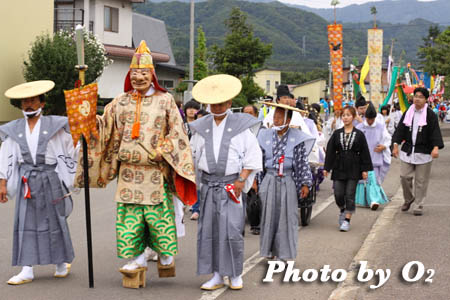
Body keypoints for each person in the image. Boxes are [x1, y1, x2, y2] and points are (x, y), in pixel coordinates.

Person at [74, 41, 197, 283]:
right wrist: (84, 109)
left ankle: (164, 254)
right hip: (128, 172)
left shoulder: (166, 101)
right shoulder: (120, 101)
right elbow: (103, 126)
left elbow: (177, 133)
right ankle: (139, 257)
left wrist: (165, 148)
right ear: (129, 75)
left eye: (143, 73)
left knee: (157, 218)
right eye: (134, 73)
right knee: (130, 219)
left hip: (154, 171)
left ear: (152, 75)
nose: (139, 77)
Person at [0, 80, 78, 285]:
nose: (29, 104)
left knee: (56, 221)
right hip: (27, 179)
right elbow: (6, 155)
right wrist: (3, 181)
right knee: (26, 223)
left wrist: (81, 139)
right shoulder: (14, 129)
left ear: (42, 103)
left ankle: (61, 263)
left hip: (50, 177)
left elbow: (71, 148)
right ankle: (27, 268)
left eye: (33, 100)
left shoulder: (57, 125)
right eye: (25, 101)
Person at [189, 74, 262, 290]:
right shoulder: (201, 126)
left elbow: (252, 155)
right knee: (210, 230)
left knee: (231, 229)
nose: (216, 107)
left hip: (232, 184)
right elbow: (193, 155)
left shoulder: (241, 125)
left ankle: (235, 273)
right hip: (209, 185)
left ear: (229, 103)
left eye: (221, 103)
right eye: (213, 103)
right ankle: (217, 275)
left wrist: (242, 180)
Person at [257, 102, 314, 260]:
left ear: (288, 121)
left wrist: (305, 183)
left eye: (280, 117)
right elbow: (258, 161)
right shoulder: (264, 135)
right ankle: (269, 251)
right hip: (269, 178)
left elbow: (302, 162)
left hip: (288, 179)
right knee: (268, 216)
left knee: (287, 217)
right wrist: (255, 180)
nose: (276, 119)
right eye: (274, 116)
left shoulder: (297, 138)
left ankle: (285, 254)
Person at [392, 87, 444, 216]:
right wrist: (395, 145)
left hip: (424, 151)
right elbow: (400, 130)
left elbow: (435, 133)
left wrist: (436, 147)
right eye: (416, 96)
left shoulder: (431, 115)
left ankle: (419, 205)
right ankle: (409, 199)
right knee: (404, 176)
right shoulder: (408, 112)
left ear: (426, 99)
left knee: (421, 181)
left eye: (421, 97)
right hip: (408, 150)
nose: (417, 99)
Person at [323, 106, 373, 232]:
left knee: (350, 194)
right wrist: (327, 167)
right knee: (338, 194)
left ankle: (347, 220)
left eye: (348, 115)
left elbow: (364, 152)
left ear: (353, 117)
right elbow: (330, 151)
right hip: (339, 166)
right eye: (343, 115)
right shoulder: (337, 134)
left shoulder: (359, 134)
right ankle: (342, 209)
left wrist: (365, 170)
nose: (345, 118)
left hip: (354, 167)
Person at [355, 103, 391, 210]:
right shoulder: (359, 127)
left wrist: (384, 146)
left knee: (373, 179)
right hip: (363, 158)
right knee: (365, 180)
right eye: (368, 119)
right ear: (365, 117)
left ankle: (373, 200)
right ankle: (372, 200)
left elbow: (387, 137)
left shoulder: (380, 126)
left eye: (372, 119)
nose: (370, 121)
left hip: (376, 156)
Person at [243, 104, 262, 235]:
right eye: (245, 113)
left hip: (259, 168)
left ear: (256, 115)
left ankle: (256, 224)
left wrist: (254, 176)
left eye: (251, 113)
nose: (248, 116)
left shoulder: (262, 130)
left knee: (254, 198)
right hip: (241, 169)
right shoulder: (238, 130)